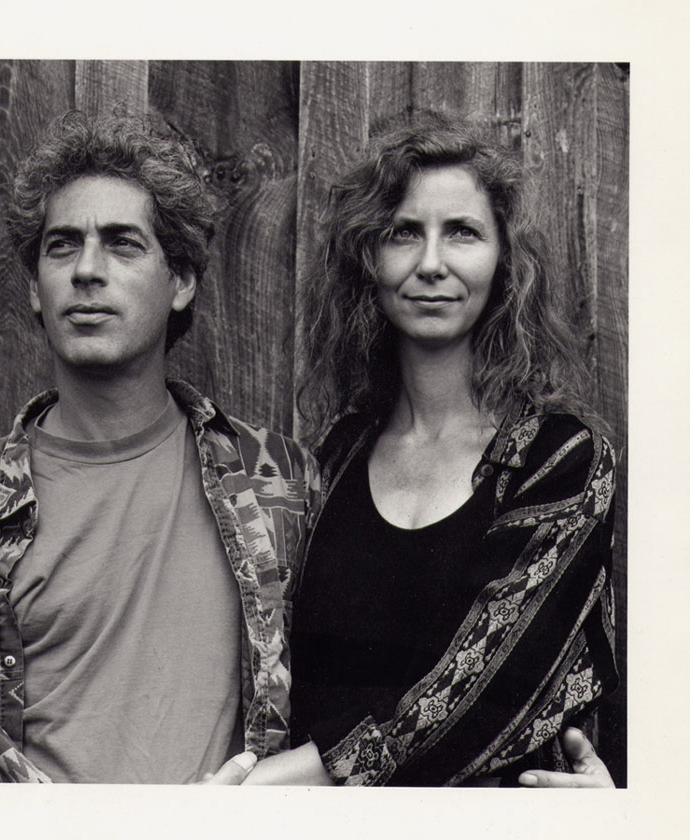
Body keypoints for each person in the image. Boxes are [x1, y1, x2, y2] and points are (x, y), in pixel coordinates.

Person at [0, 111, 319, 783]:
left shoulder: (280, 483)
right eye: (62, 246)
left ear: (180, 280)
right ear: (35, 287)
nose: (86, 271)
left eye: (123, 244)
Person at [236, 120, 619, 786]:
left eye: (463, 232)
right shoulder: (339, 456)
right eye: (404, 233)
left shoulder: (561, 459)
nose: (432, 263)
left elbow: (479, 685)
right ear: (368, 260)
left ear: (505, 260)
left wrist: (283, 781)